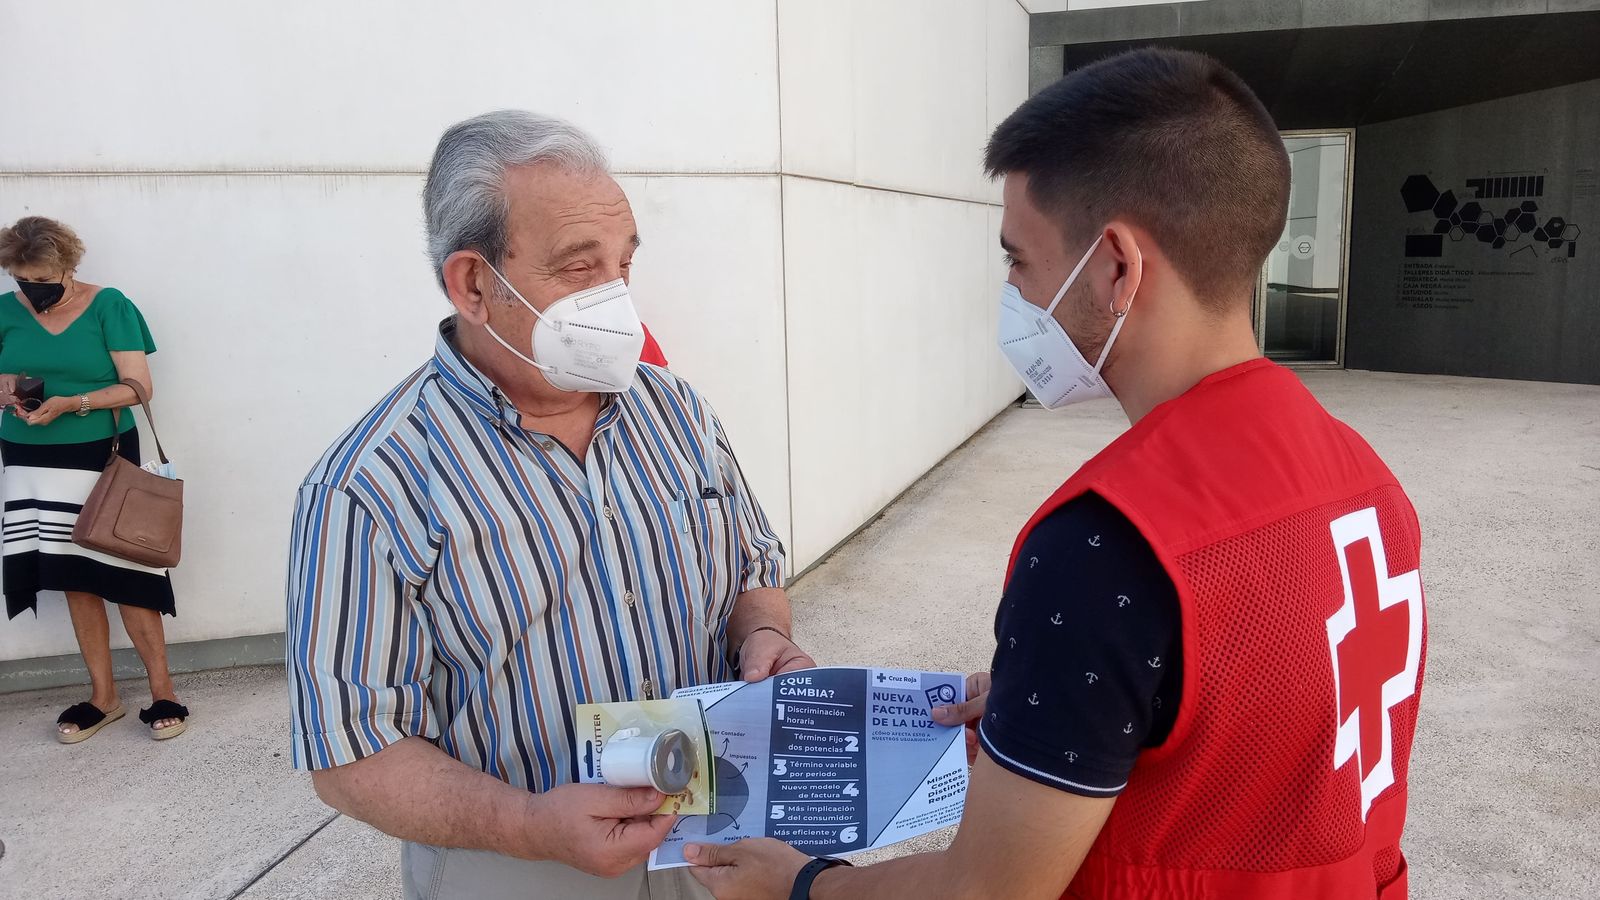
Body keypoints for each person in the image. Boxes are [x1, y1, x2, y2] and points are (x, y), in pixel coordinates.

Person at [686, 48, 1426, 900]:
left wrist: (801, 883)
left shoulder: (1108, 543)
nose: (1013, 290)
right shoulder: (1366, 479)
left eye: (1019, 259)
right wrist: (1076, 709)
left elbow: (985, 893)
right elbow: (1256, 725)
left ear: (1116, 267)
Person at [284, 110, 813, 900]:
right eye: (579, 268)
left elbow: (752, 570)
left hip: (712, 837)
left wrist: (763, 634)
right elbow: (349, 752)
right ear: (473, 284)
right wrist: (526, 824)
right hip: (518, 867)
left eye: (623, 264)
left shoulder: (677, 412)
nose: (616, 299)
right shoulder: (368, 487)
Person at [0, 216, 189, 742]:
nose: (31, 289)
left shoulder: (110, 306)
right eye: (21, 279)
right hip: (31, 459)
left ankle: (164, 692)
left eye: (41, 279)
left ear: (68, 267)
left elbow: (138, 386)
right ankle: (103, 698)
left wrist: (72, 403)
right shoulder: (4, 311)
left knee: (128, 571)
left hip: (102, 455)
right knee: (74, 576)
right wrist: (8, 392)